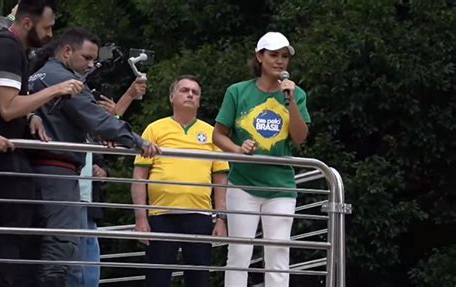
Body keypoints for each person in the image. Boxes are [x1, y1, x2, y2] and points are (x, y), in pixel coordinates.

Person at [28, 27, 159, 286]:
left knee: (35, 247)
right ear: (67, 51)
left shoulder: (35, 74)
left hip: (33, 170)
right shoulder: (65, 81)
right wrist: (137, 142)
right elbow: (97, 118)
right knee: (60, 246)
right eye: (86, 58)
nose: (92, 65)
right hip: (56, 172)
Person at [0, 0, 84, 285]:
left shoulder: (7, 48)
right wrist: (55, 89)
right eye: (47, 27)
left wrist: (30, 114)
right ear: (27, 23)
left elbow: (7, 102)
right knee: (13, 238)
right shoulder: (7, 48)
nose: (51, 34)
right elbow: (7, 107)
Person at [213, 32, 311, 287]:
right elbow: (218, 135)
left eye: (284, 56)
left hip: (281, 186)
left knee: (278, 255)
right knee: (239, 254)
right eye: (274, 55)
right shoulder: (237, 91)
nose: (280, 61)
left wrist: (291, 103)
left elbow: (300, 138)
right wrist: (236, 148)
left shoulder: (296, 93)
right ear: (260, 56)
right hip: (242, 184)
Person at [131, 75, 229, 287]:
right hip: (160, 215)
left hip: (200, 215)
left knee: (199, 280)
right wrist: (141, 218)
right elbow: (139, 176)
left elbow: (221, 180)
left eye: (195, 92)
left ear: (200, 101)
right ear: (172, 96)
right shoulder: (154, 129)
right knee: (157, 279)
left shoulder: (212, 134)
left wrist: (221, 219)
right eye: (185, 90)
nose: (190, 94)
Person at [67, 80, 148, 287]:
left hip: (89, 201)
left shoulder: (91, 135)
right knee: (72, 262)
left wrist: (104, 171)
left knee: (90, 263)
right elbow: (105, 125)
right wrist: (128, 96)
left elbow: (107, 134)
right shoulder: (68, 126)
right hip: (67, 197)